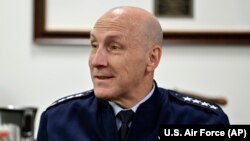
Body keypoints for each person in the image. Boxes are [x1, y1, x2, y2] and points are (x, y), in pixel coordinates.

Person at [36, 6, 229, 141]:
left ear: (152, 59)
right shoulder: (58, 120)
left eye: (114, 47)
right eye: (94, 45)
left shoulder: (203, 122)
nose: (97, 61)